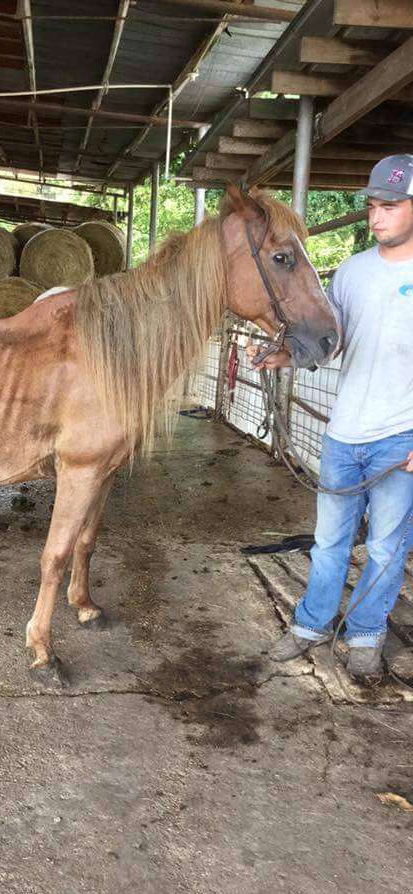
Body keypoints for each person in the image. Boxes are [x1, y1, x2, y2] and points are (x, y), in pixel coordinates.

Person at [249, 155, 413, 680]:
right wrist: (284, 355)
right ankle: (310, 625)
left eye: (389, 206)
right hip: (343, 435)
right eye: (372, 206)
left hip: (399, 437)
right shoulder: (352, 272)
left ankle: (366, 634)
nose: (376, 217)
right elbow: (330, 343)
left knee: (387, 547)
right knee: (329, 542)